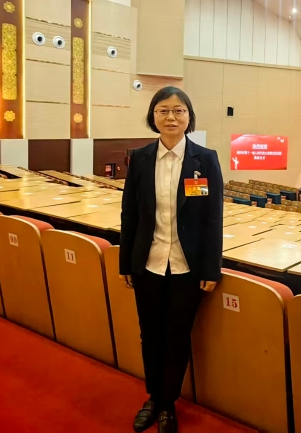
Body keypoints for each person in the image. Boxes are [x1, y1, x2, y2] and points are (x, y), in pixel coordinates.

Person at [119, 86, 223, 433]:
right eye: (163, 111)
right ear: (153, 117)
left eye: (179, 111)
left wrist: (211, 268)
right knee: (149, 335)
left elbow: (213, 218)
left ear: (189, 117)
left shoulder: (204, 160)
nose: (171, 117)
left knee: (177, 337)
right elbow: (130, 214)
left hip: (186, 267)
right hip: (148, 263)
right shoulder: (140, 158)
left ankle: (167, 403)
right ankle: (153, 396)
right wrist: (126, 263)